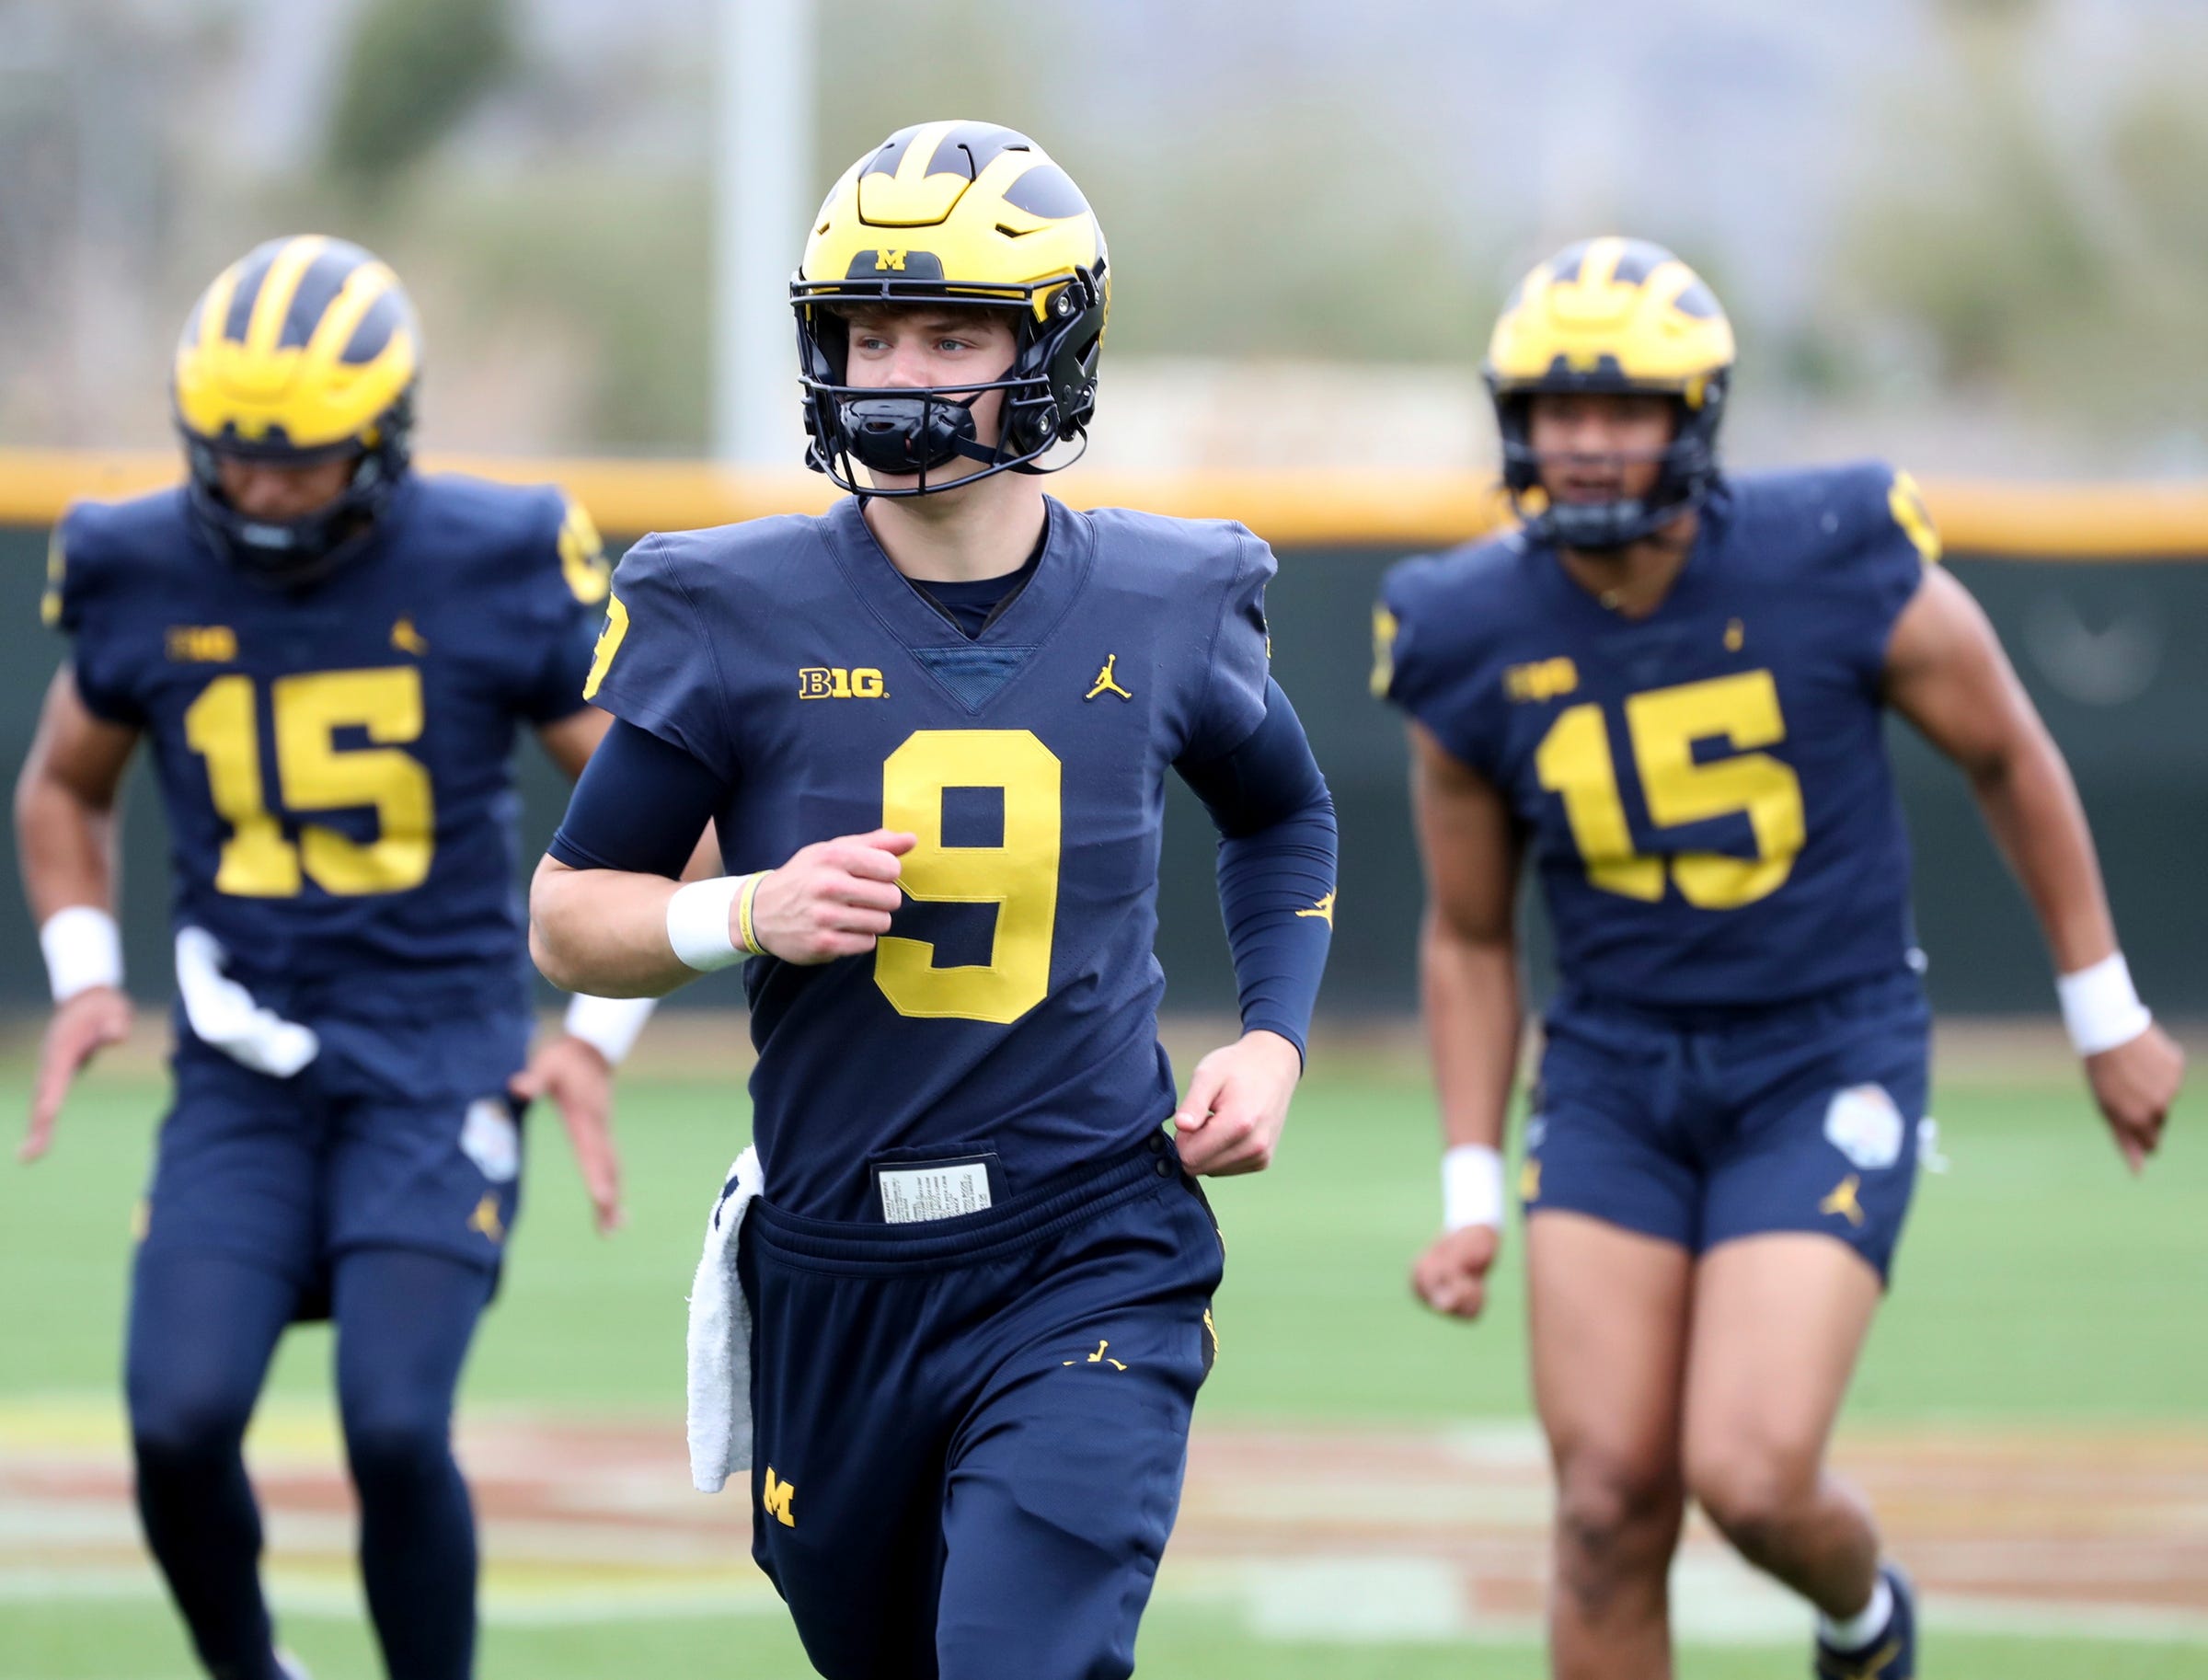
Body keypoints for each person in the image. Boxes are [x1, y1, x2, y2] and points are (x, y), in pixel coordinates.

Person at [529, 120, 1338, 1680]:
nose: (898, 368)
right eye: (868, 328)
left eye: (950, 330)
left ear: (1052, 345)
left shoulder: (1169, 600)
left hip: (1085, 1240)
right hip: (838, 1266)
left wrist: (1275, 1037)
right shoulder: (728, 604)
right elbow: (571, 912)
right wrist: (743, 911)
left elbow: (1284, 811)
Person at [1375, 236, 2184, 1680]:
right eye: (1558, 408)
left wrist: (2104, 1008)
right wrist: (1468, 1183)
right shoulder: (1462, 625)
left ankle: (1864, 1616)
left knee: (1747, 1474)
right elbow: (1472, 930)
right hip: (1616, 1066)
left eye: (1623, 407)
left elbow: (2011, 752)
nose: (1587, 440)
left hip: (1824, 1046)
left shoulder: (1834, 550)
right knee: (1608, 1504)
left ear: (1696, 418)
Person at [17, 236, 667, 1680]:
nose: (258, 489)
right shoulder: (133, 562)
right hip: (242, 1065)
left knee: (390, 1420)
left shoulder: (489, 557)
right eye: (231, 458)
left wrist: (590, 1033)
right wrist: (83, 971)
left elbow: (656, 808)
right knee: (177, 1418)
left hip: (439, 1056)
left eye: (297, 461)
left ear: (380, 440)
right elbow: (63, 783)